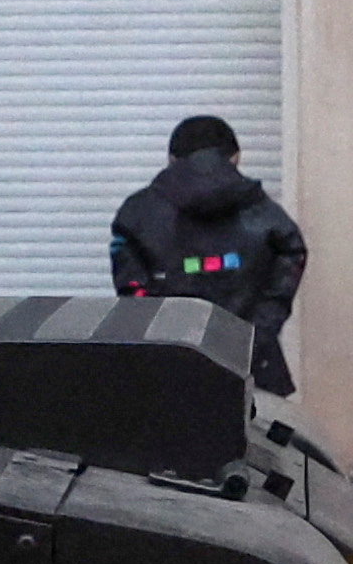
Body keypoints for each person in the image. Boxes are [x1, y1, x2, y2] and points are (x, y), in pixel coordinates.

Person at [111, 114, 310, 394]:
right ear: (235, 157)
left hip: (166, 374)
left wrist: (158, 334)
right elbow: (292, 251)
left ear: (171, 159)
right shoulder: (258, 208)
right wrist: (261, 328)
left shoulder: (138, 213)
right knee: (254, 437)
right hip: (254, 371)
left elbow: (133, 293)